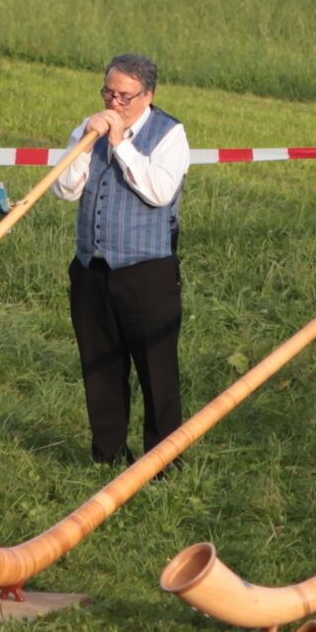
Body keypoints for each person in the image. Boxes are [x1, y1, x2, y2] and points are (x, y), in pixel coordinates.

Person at [52, 53, 187, 463]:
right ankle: (107, 456)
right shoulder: (89, 127)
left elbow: (160, 192)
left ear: (147, 96)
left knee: (156, 373)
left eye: (124, 97)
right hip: (92, 269)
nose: (114, 104)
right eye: (109, 93)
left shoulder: (169, 134)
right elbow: (66, 189)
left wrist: (120, 145)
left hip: (147, 272)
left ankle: (162, 463)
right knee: (100, 367)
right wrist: (84, 143)